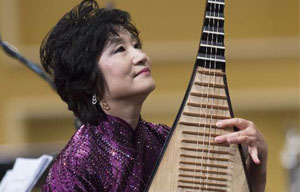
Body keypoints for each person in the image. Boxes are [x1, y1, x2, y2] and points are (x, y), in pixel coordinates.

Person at [40, 0, 268, 191]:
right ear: (88, 80)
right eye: (120, 49)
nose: (140, 56)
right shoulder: (76, 167)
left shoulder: (162, 140)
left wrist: (257, 162)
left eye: (137, 45)